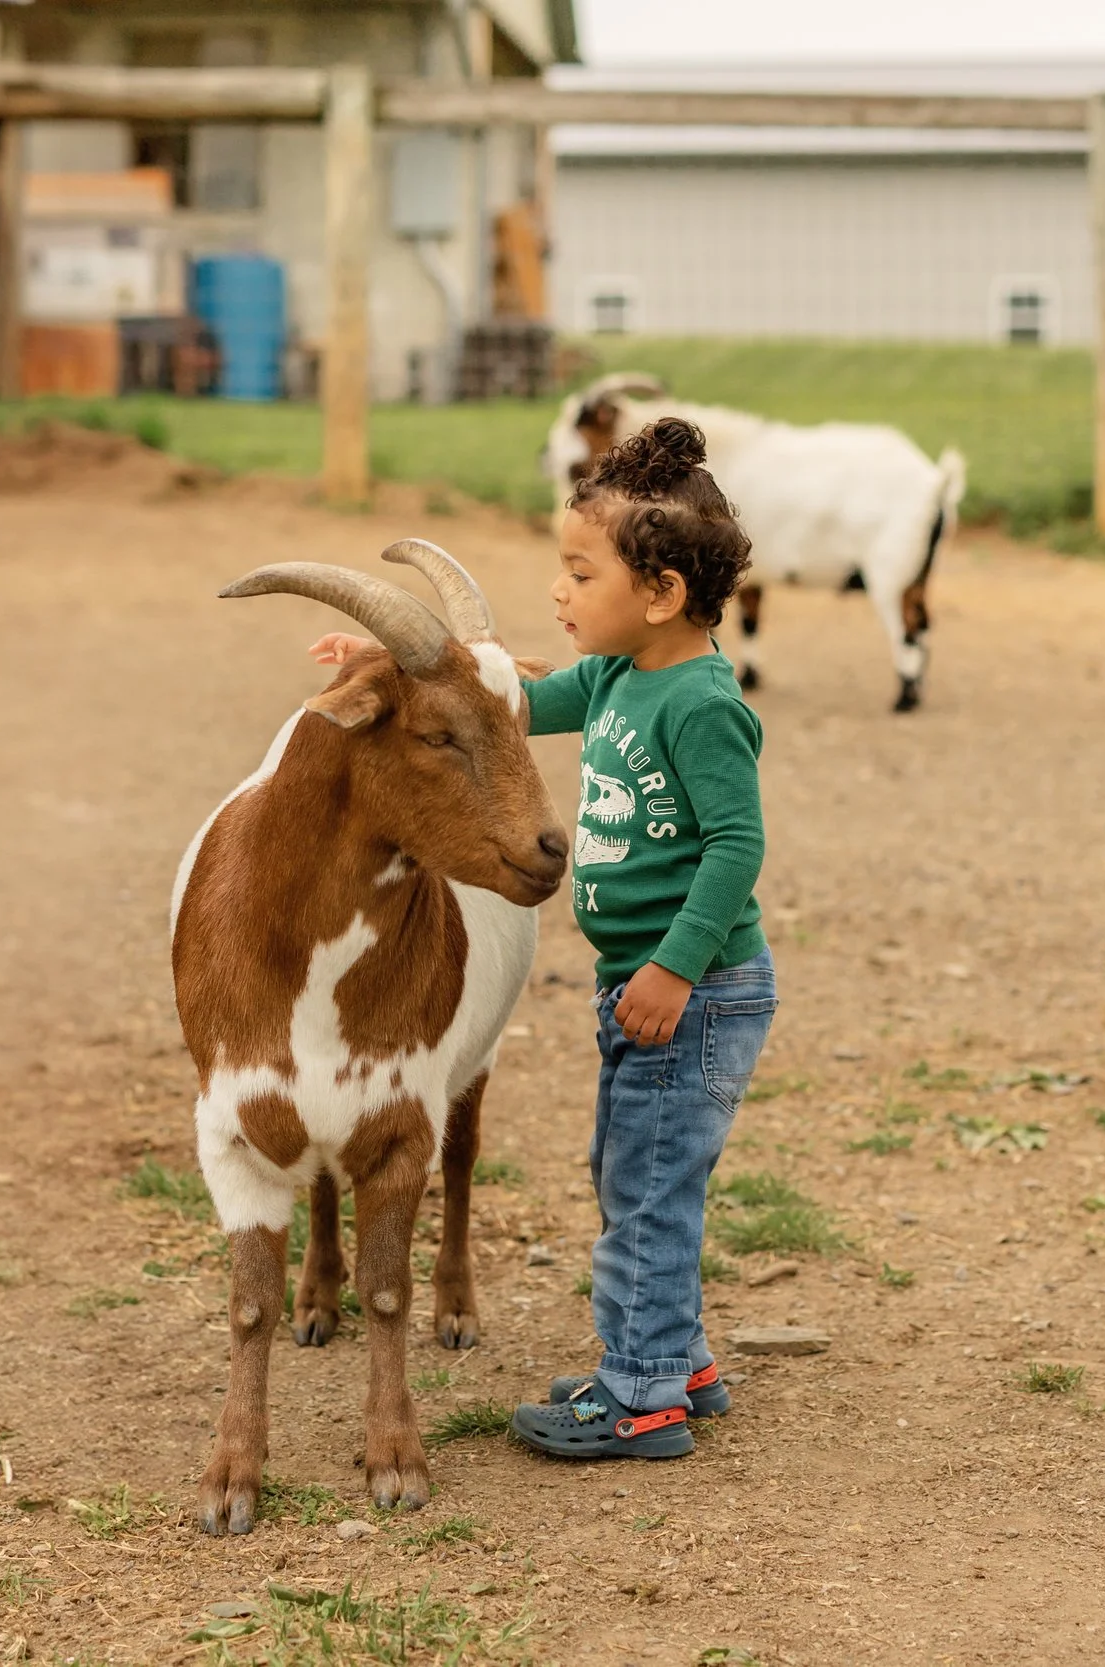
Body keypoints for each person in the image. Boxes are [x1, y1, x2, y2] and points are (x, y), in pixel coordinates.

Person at [308, 416, 774, 1460]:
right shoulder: (616, 676)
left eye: (577, 572)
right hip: (647, 988)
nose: (558, 595)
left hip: (690, 991)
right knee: (633, 1174)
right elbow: (499, 701)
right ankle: (676, 1354)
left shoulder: (699, 704)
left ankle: (641, 1393)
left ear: (658, 594)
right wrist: (386, 670)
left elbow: (737, 848)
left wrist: (671, 966)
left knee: (645, 1188)